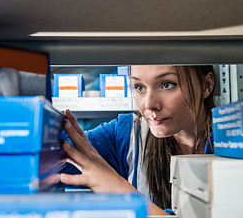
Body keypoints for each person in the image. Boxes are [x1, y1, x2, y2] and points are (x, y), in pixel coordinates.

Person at [59, 65, 216, 215]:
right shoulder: (126, 134)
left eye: (167, 85)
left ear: (206, 85)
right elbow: (50, 159)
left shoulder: (234, 144)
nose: (149, 104)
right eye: (139, 87)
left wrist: (112, 185)